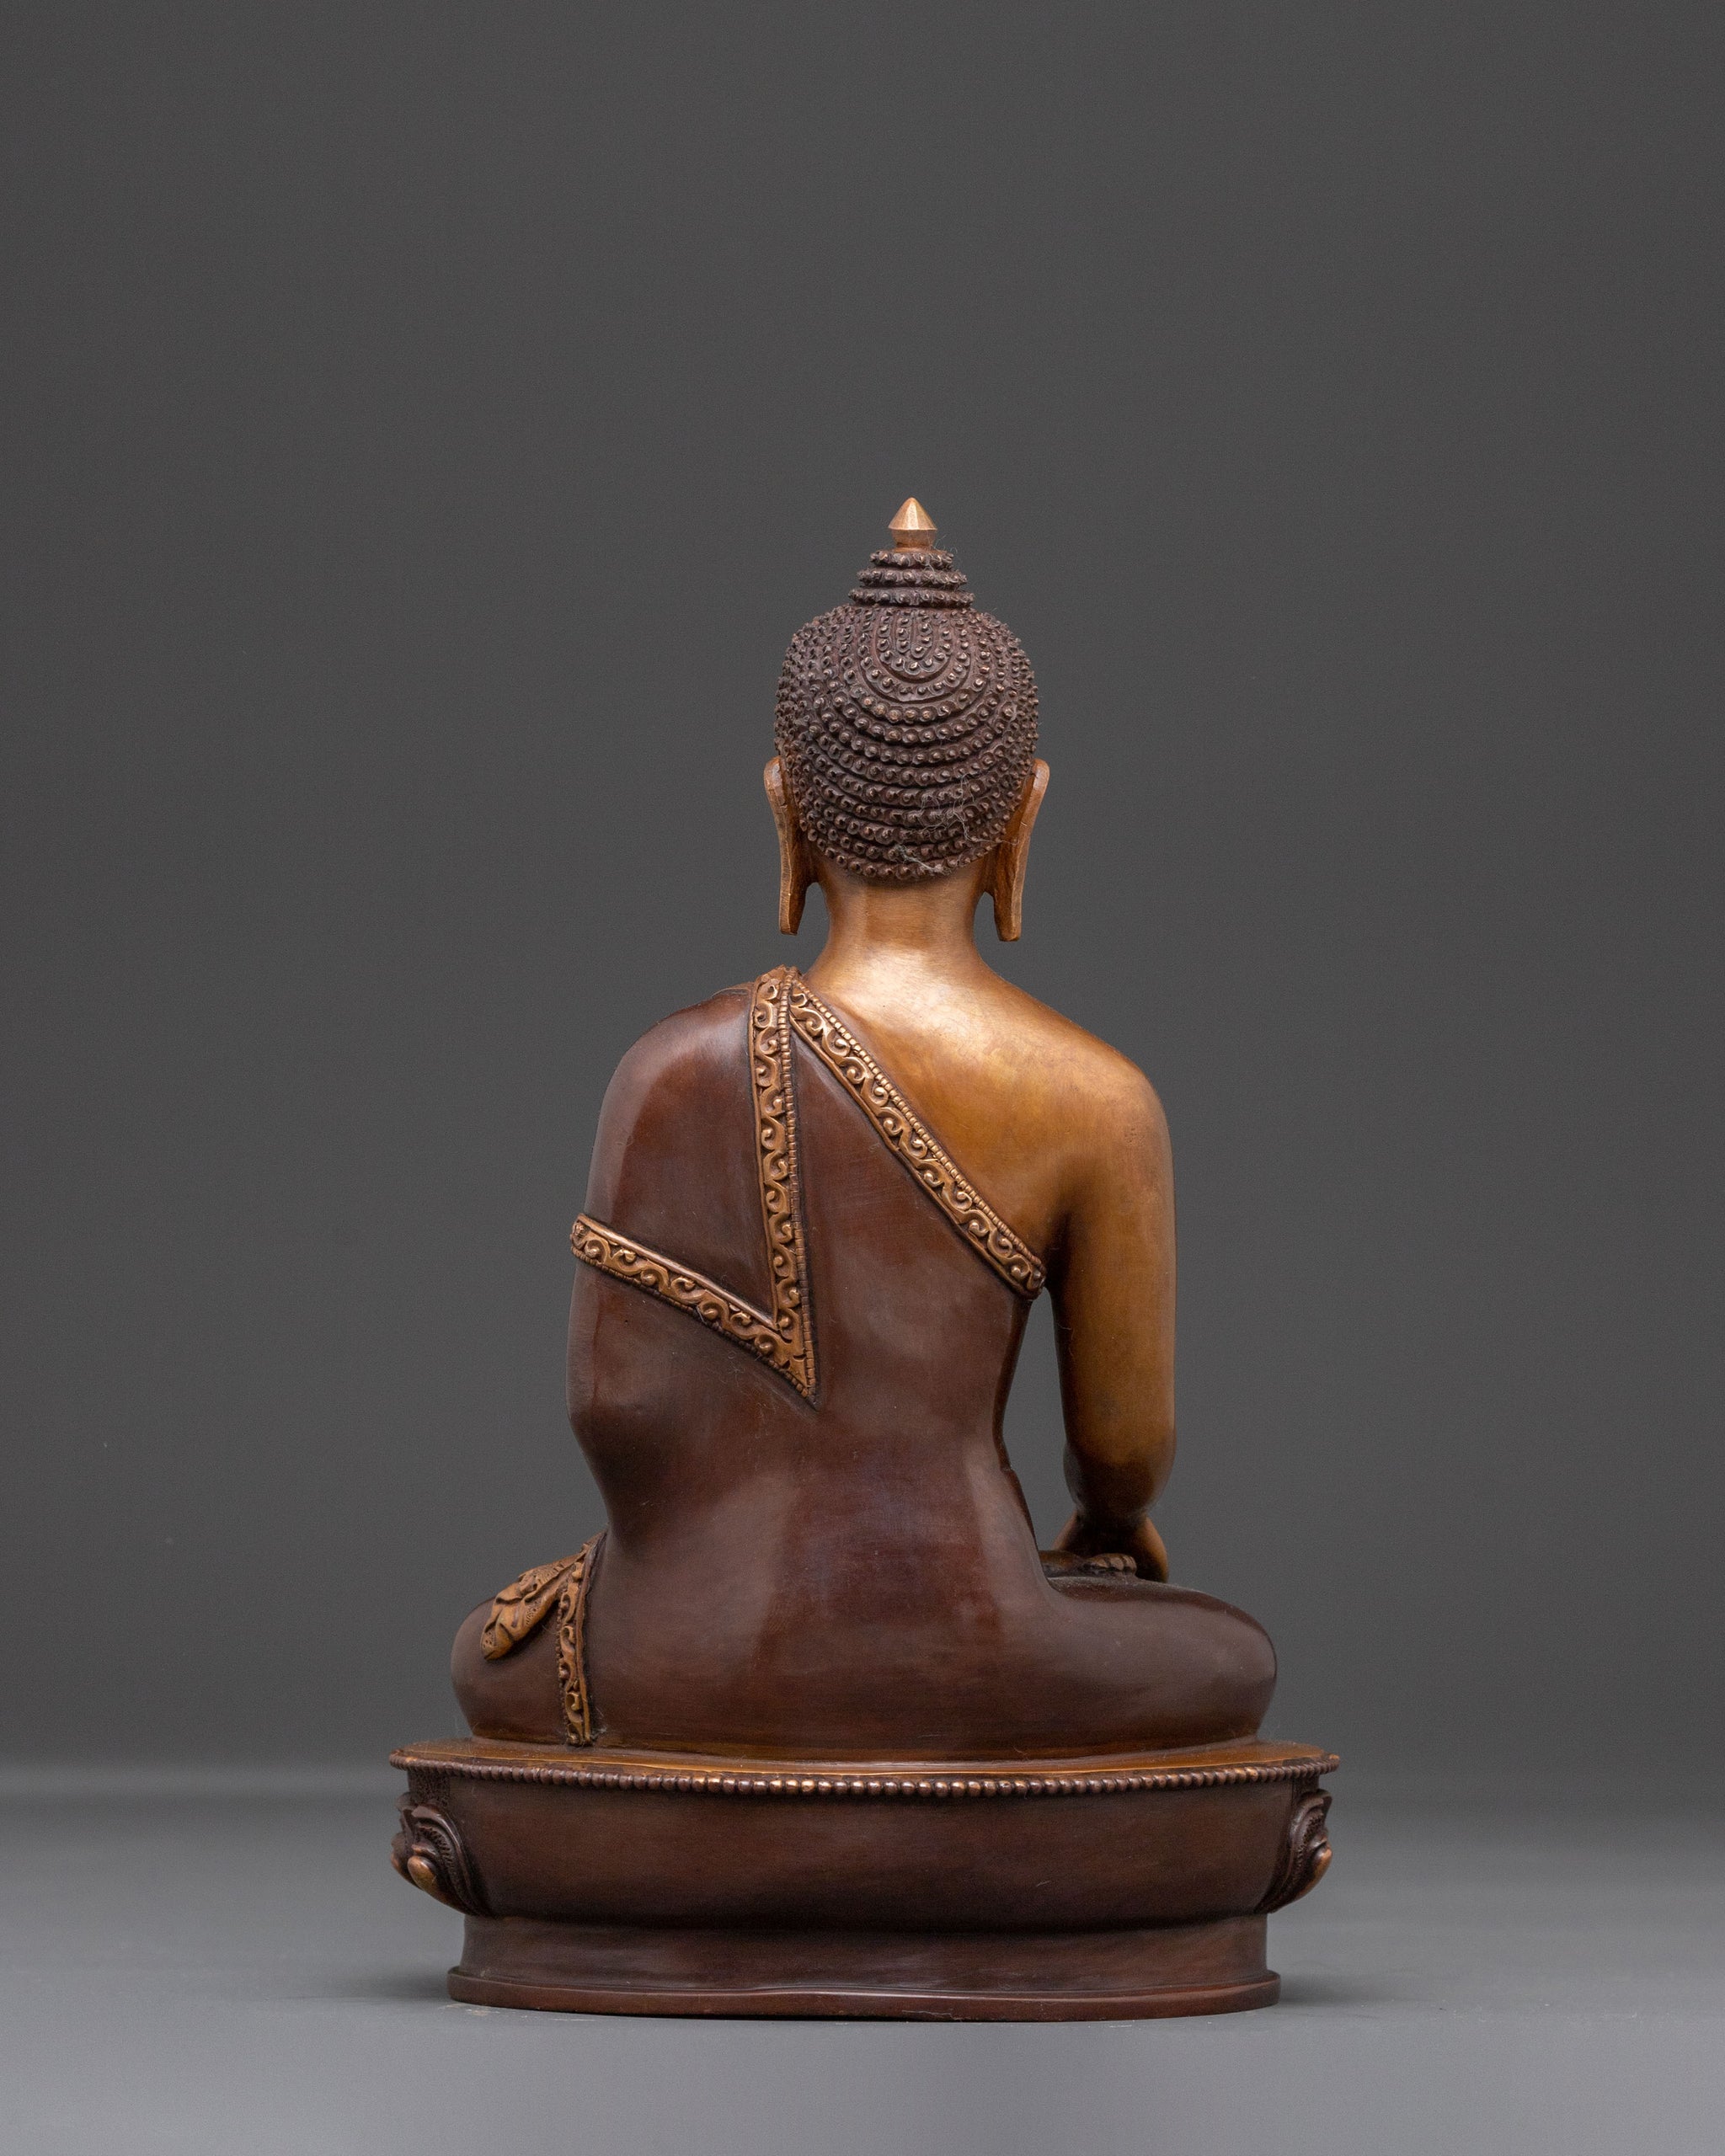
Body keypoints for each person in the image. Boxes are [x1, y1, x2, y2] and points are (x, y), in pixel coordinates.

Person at [453, 504, 1274, 1762]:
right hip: (980, 1636)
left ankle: (709, 1747)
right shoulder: (1097, 1097)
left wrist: (696, 1566)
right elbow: (1121, 1452)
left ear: (784, 809)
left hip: (693, 1643)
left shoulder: (664, 1070)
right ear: (1024, 817)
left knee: (489, 1655)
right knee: (1232, 1658)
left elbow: (610, 1413)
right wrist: (1108, 1537)